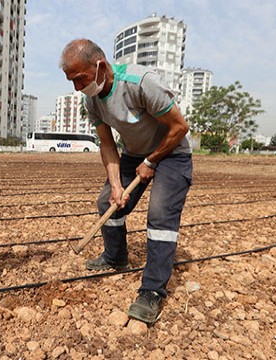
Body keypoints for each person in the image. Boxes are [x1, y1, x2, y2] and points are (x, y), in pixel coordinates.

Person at [60, 39, 193, 325]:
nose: (77, 87)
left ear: (101, 66)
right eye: (71, 81)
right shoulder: (92, 101)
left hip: (172, 152)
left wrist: (152, 161)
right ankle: (116, 257)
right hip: (135, 154)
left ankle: (152, 292)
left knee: (159, 215)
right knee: (107, 202)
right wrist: (117, 185)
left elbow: (180, 128)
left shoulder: (141, 83)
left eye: (80, 79)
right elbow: (107, 146)